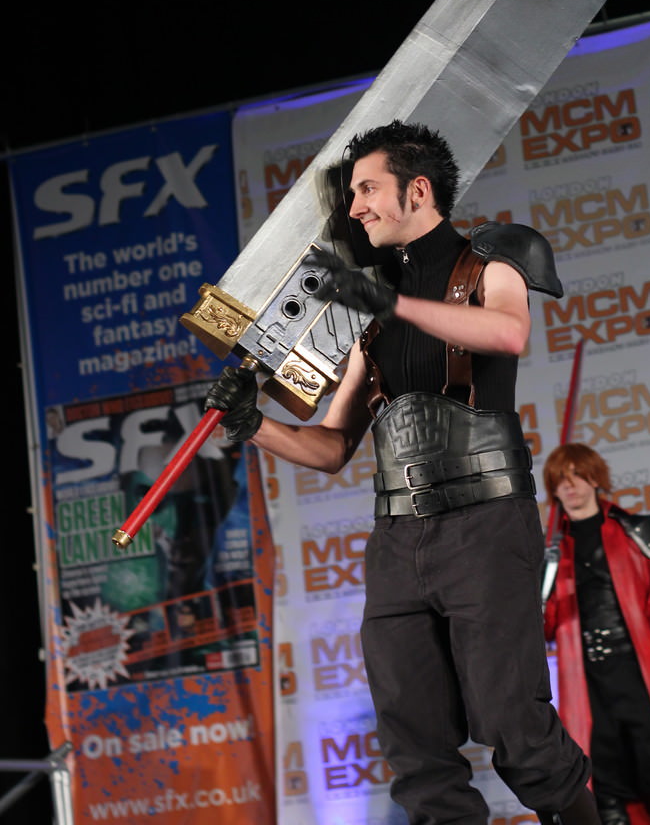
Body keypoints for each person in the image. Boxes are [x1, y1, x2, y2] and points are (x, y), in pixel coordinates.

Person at [205, 120, 601, 825]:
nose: (355, 207)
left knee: (515, 727)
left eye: (368, 189)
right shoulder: (371, 314)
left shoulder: (490, 263)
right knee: (413, 742)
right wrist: (251, 425)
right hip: (397, 540)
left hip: (486, 525)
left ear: (417, 191)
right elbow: (333, 446)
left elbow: (508, 331)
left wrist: (388, 303)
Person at [541, 443, 650, 825]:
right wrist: (543, 584)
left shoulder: (632, 531)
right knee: (604, 785)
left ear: (594, 478)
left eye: (577, 475)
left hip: (636, 673)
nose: (570, 486)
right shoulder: (551, 548)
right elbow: (546, 629)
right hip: (586, 683)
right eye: (560, 480)